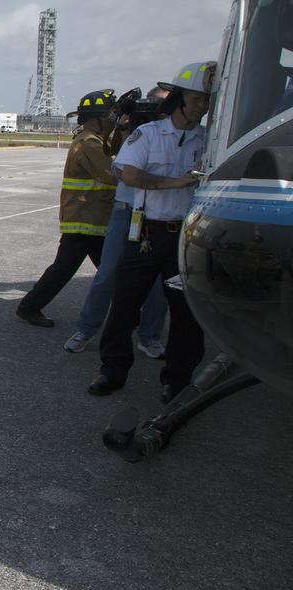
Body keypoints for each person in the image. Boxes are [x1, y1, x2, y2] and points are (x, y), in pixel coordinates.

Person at [87, 62, 214, 402]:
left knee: (186, 312)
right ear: (179, 100)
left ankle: (176, 379)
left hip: (185, 235)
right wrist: (178, 182)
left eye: (207, 100)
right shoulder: (149, 135)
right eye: (199, 99)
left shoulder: (207, 141)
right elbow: (128, 175)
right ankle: (111, 371)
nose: (204, 106)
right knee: (124, 303)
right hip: (144, 234)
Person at [61, 87, 171, 354]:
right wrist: (124, 128)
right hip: (126, 210)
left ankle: (149, 336)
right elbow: (115, 167)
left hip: (160, 213)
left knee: (158, 282)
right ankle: (86, 329)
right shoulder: (127, 136)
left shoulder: (179, 137)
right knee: (107, 274)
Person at [16, 89, 119, 328]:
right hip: (85, 219)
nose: (113, 122)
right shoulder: (89, 144)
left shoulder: (92, 141)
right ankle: (29, 307)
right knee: (72, 269)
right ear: (98, 119)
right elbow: (112, 175)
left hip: (90, 217)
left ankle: (30, 306)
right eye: (110, 118)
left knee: (105, 270)